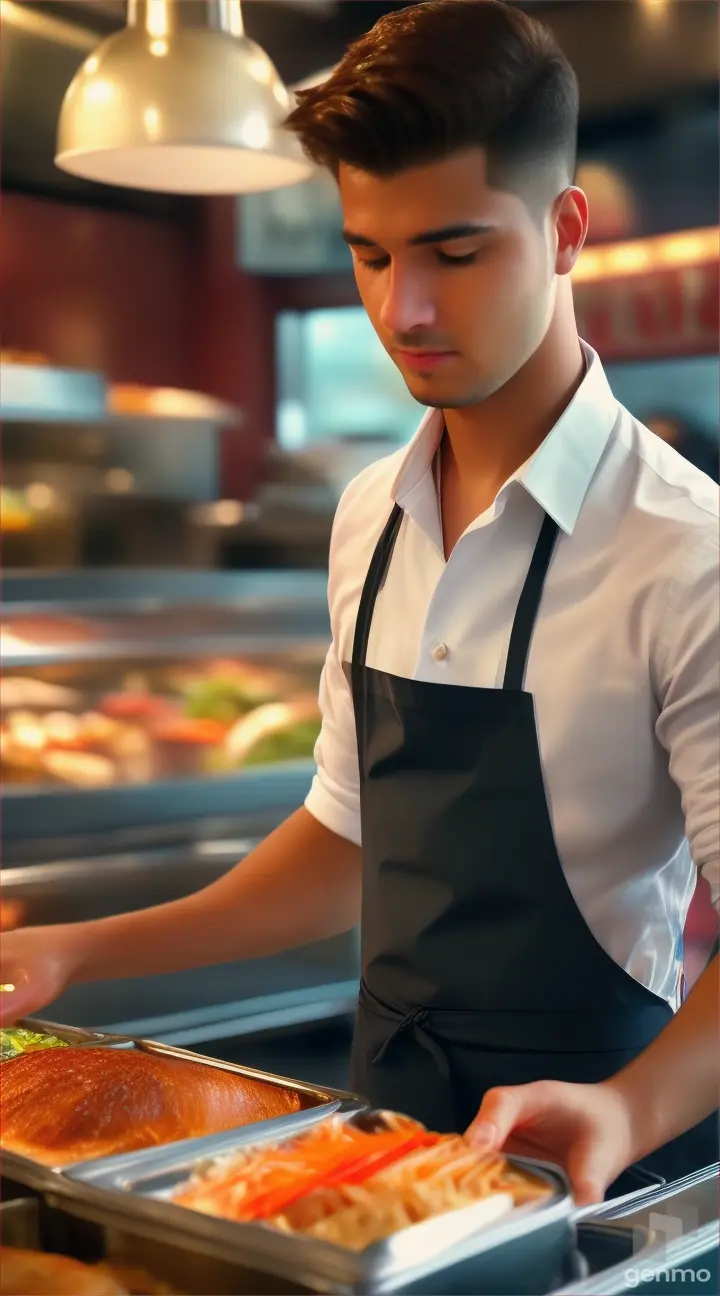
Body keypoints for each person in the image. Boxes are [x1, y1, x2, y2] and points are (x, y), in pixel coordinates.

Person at [2, 0, 718, 1203]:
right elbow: (343, 849)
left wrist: (628, 1107)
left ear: (565, 231)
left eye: (453, 250)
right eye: (371, 254)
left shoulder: (684, 549)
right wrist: (79, 950)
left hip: (602, 1163)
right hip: (379, 1151)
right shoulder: (368, 516)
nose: (403, 312)